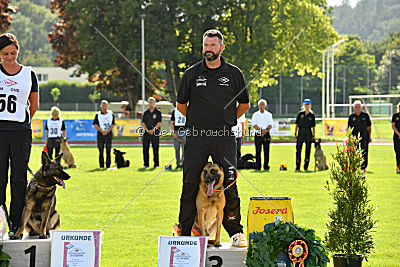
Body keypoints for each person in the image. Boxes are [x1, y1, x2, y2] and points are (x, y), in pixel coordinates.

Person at [176, 29, 250, 247]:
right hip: (197, 136)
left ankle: (235, 232)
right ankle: (185, 231)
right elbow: (181, 105)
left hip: (224, 136)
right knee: (190, 183)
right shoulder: (191, 73)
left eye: (212, 46)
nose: (208, 49)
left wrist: (226, 121)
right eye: (205, 45)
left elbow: (244, 104)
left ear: (221, 48)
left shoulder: (234, 73)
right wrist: (199, 122)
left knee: (230, 183)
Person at [0, 33, 39, 237]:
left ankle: (16, 224)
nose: (9, 57)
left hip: (20, 132)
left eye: (13, 53)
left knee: (18, 179)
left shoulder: (28, 74)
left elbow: (34, 105)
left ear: (18, 51)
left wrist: (20, 122)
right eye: (5, 53)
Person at [348, 100, 371, 171]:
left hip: (364, 136)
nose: (357, 108)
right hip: (354, 137)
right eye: (356, 107)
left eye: (359, 106)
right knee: (354, 151)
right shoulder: (351, 117)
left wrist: (369, 137)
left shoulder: (366, 116)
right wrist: (349, 138)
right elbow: (349, 129)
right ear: (353, 108)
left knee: (364, 151)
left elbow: (369, 127)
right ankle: (354, 165)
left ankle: (363, 166)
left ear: (361, 107)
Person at [251, 99, 273, 170]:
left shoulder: (269, 114)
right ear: (258, 106)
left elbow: (270, 125)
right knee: (258, 151)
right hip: (258, 134)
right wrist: (261, 131)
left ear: (265, 106)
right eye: (260, 104)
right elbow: (254, 125)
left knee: (266, 151)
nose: (261, 106)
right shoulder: (255, 114)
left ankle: (266, 166)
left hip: (266, 134)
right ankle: (258, 166)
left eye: (263, 104)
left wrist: (265, 131)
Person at [93, 100, 116, 169]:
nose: (104, 107)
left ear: (108, 106)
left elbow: (113, 124)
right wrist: (102, 131)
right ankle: (101, 165)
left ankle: (108, 165)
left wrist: (108, 131)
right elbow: (95, 124)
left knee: (108, 150)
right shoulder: (98, 115)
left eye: (105, 105)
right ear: (100, 106)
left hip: (108, 134)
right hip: (100, 134)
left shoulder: (111, 114)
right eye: (103, 105)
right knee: (101, 150)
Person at [294, 99, 315, 171]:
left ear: (310, 105)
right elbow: (296, 125)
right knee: (298, 150)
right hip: (301, 132)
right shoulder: (300, 114)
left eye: (308, 105)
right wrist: (295, 134)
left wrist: (314, 135)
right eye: (305, 104)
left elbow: (313, 126)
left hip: (308, 132)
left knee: (308, 150)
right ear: (303, 105)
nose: (306, 106)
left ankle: (306, 166)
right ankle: (297, 165)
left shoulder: (312, 115)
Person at [141, 97, 162, 169]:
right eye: (149, 102)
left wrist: (153, 130)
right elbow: (143, 122)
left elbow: (159, 123)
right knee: (145, 149)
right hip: (146, 133)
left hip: (155, 133)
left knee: (155, 149)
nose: (151, 103)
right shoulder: (146, 113)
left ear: (154, 103)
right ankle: (145, 164)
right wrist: (147, 130)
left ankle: (156, 164)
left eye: (152, 102)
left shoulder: (158, 112)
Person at [392, 103, 400, 174]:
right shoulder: (395, 116)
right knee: (397, 152)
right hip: (397, 137)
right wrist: (398, 134)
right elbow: (393, 126)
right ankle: (398, 167)